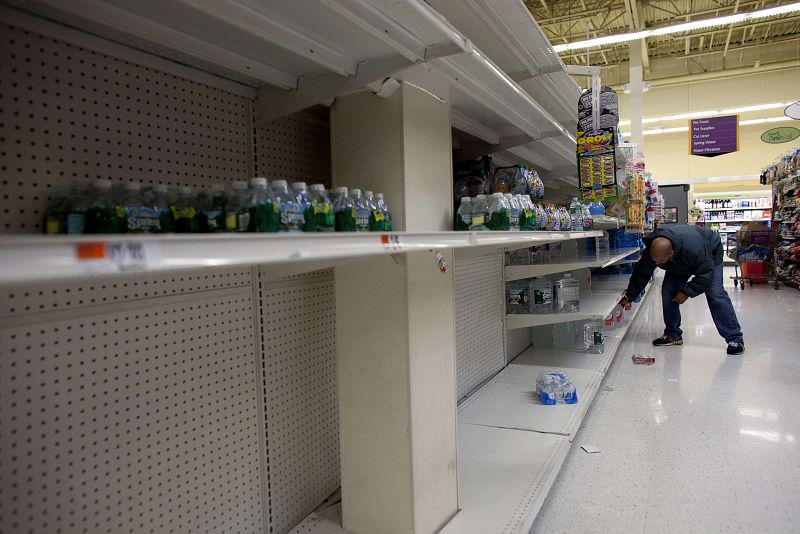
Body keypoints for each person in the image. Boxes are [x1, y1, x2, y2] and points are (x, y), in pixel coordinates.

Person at [619, 224, 745, 355]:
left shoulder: (695, 251)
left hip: (710, 252)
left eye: (660, 262)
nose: (656, 264)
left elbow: (706, 275)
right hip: (679, 260)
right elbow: (642, 273)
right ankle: (672, 335)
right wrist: (630, 297)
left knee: (715, 293)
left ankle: (735, 338)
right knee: (668, 292)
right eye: (654, 261)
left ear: (670, 253)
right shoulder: (654, 252)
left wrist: (686, 292)